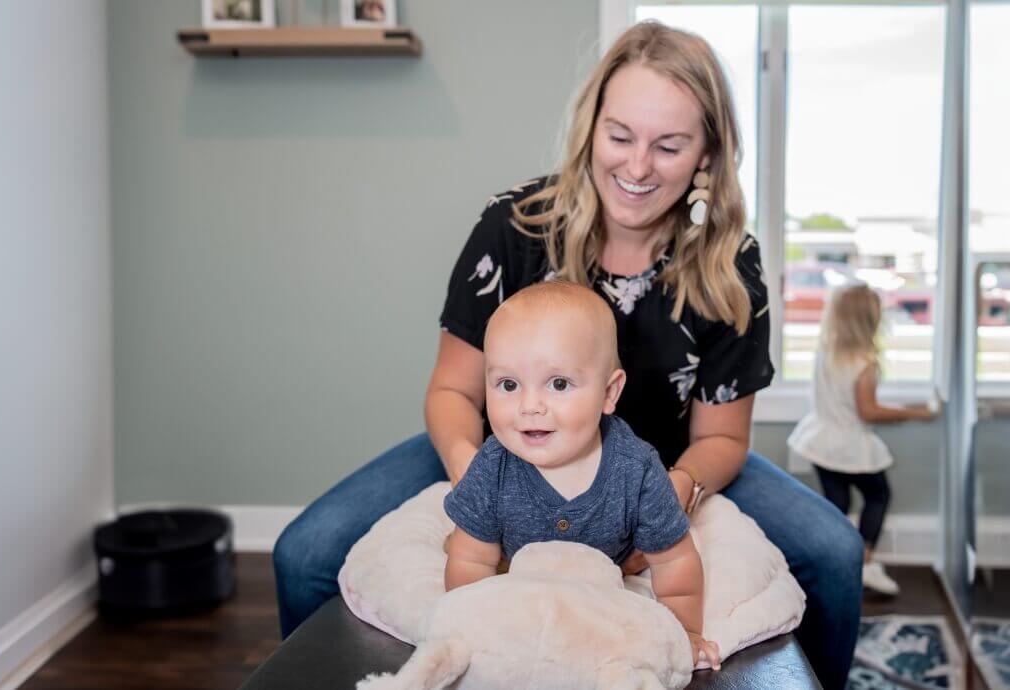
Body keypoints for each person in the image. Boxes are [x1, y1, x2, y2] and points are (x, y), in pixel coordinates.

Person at [273, 21, 863, 688]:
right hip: (504, 446)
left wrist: (668, 498)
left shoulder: (732, 266)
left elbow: (723, 436)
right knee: (305, 554)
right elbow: (452, 392)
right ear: (591, 129)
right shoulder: (513, 227)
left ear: (707, 155)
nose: (637, 168)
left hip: (663, 458)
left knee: (835, 555)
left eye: (668, 146)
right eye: (620, 137)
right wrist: (485, 482)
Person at [443, 281, 721, 669]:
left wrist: (684, 634)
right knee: (459, 540)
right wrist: (470, 631)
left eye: (558, 384)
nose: (529, 406)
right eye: (508, 384)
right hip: (519, 573)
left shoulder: (636, 469)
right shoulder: (493, 465)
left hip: (605, 577)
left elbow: (675, 563)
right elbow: (470, 562)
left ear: (609, 393)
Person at [787, 285, 938, 597]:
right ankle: (865, 561)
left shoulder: (825, 352)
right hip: (848, 444)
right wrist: (912, 413)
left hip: (820, 439)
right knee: (878, 495)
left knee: (836, 504)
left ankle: (831, 562)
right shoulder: (863, 362)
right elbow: (867, 411)